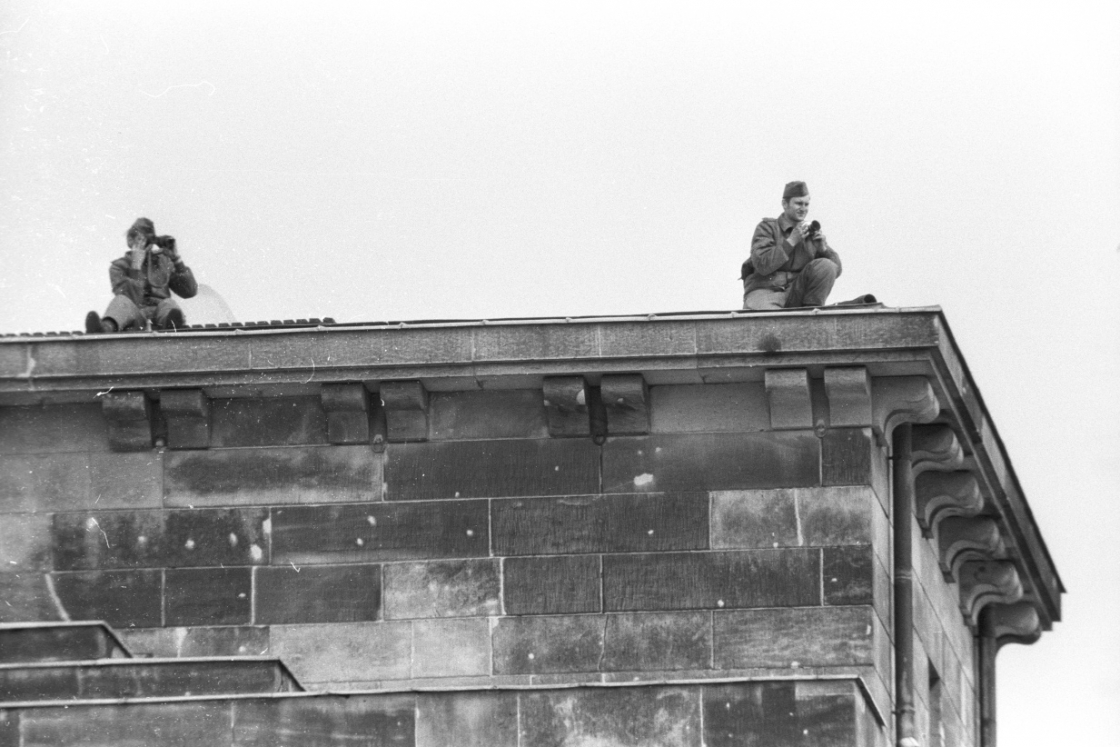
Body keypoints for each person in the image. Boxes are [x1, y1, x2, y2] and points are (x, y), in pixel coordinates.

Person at [741, 181, 842, 310]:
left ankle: (811, 314)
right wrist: (791, 241)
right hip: (765, 291)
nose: (803, 208)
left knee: (826, 265)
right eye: (798, 203)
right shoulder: (767, 228)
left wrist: (823, 249)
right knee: (770, 323)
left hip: (795, 293)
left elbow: (834, 270)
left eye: (806, 204)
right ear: (785, 204)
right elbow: (762, 265)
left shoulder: (809, 234)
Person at [85, 218, 197, 333]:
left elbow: (190, 291)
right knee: (121, 301)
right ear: (130, 240)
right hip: (134, 317)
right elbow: (129, 299)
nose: (144, 245)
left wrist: (177, 260)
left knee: (169, 303)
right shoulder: (119, 266)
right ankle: (104, 328)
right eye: (140, 240)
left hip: (161, 317)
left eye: (147, 240)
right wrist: (135, 266)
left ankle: (172, 325)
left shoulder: (163, 262)